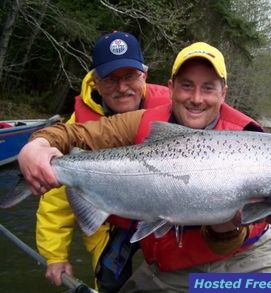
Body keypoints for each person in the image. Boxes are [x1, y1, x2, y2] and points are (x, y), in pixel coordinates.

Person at [19, 42, 271, 293]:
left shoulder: (251, 140)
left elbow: (232, 239)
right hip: (170, 264)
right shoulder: (141, 120)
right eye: (187, 86)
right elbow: (76, 133)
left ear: (223, 93)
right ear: (171, 88)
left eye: (208, 88)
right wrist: (38, 144)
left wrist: (228, 227)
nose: (196, 98)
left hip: (247, 258)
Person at [35, 31, 170, 292]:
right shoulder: (76, 129)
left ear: (145, 75)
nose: (122, 88)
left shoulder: (175, 107)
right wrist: (56, 255)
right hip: (111, 220)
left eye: (130, 77)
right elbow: (56, 198)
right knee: (111, 283)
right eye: (110, 79)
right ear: (95, 82)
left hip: (168, 211)